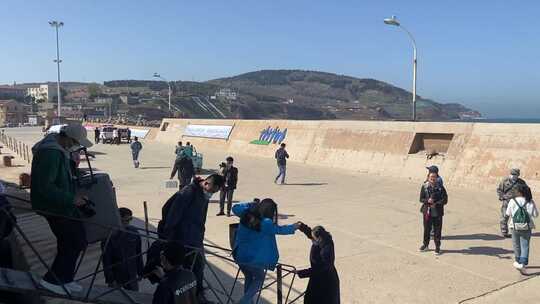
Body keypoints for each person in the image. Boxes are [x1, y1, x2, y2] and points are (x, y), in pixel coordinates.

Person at [30, 123, 93, 295]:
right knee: (73, 242)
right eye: (75, 143)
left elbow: (59, 179)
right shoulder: (51, 153)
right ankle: (52, 281)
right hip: (53, 206)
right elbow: (45, 187)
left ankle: (65, 279)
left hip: (61, 204)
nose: (76, 147)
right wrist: (72, 199)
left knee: (75, 241)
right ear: (66, 138)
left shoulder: (58, 150)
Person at [158, 174, 224, 303]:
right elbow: (172, 214)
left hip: (195, 240)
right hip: (183, 240)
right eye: (213, 191)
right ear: (207, 184)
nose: (212, 194)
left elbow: (201, 218)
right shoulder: (188, 193)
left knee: (198, 268)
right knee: (185, 270)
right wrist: (168, 237)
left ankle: (197, 295)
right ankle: (182, 297)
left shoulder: (203, 195)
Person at [232, 199, 300, 304]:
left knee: (249, 276)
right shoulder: (266, 223)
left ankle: (248, 301)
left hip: (239, 254)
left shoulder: (246, 214)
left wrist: (251, 203)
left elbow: (235, 207)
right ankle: (244, 302)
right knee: (260, 278)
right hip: (252, 259)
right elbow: (280, 230)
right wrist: (294, 227)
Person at [101, 207, 143, 291]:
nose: (127, 223)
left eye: (129, 220)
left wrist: (140, 272)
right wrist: (110, 279)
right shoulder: (109, 236)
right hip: (117, 276)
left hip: (131, 275)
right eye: (125, 220)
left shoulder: (134, 233)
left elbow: (138, 254)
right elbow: (106, 260)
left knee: (134, 297)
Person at [297, 225, 340, 304]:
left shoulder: (327, 250)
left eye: (314, 238)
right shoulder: (320, 240)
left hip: (326, 282)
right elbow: (311, 233)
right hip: (317, 279)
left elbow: (320, 269)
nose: (312, 239)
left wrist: (301, 272)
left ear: (319, 238)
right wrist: (301, 226)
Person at [505, 184, 538, 270]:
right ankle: (523, 263)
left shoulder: (512, 201)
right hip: (527, 227)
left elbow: (508, 214)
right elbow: (535, 215)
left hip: (514, 226)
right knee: (525, 245)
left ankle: (517, 261)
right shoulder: (530, 201)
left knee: (516, 244)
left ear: (519, 192)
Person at [419, 172, 448, 255]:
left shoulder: (441, 188)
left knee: (437, 231)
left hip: (437, 213)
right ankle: (425, 245)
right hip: (427, 212)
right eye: (431, 177)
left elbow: (445, 200)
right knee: (426, 229)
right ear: (428, 177)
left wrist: (436, 203)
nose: (433, 178)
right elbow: (421, 199)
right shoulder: (424, 187)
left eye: (434, 177)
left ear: (437, 178)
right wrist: (427, 201)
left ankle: (437, 247)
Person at [497, 168, 529, 237]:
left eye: (515, 174)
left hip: (518, 203)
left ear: (518, 175)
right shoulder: (505, 181)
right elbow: (499, 190)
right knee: (504, 217)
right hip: (507, 202)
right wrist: (502, 197)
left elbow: (526, 191)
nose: (513, 176)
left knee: (518, 217)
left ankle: (517, 232)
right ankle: (504, 232)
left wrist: (525, 200)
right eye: (512, 174)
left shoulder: (521, 182)